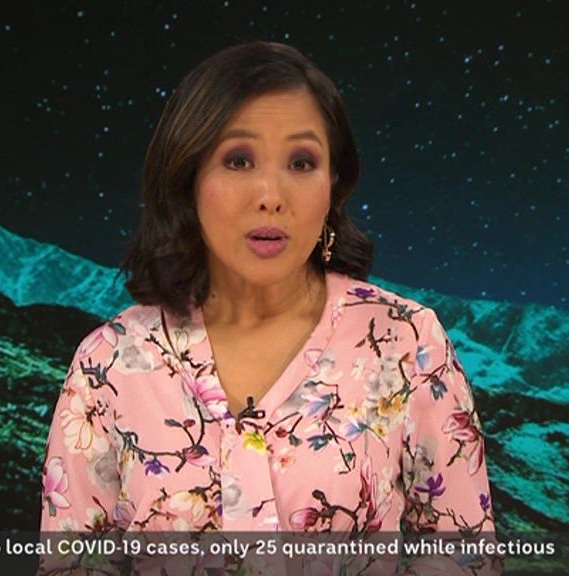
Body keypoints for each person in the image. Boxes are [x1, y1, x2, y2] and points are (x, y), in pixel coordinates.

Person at [39, 41, 496, 573]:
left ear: (334, 185)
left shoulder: (406, 343)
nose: (271, 195)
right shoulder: (109, 365)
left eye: (302, 163)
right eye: (238, 160)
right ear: (188, 178)